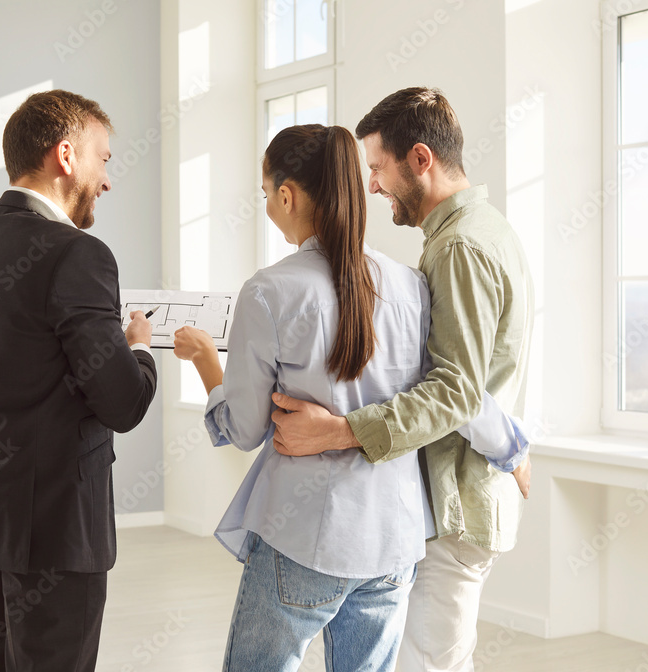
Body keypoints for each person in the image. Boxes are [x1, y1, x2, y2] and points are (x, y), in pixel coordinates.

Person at [173, 123, 526, 672]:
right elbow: (455, 389)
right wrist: (513, 447)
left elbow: (242, 431)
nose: (268, 205)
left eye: (267, 195)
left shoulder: (269, 291)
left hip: (306, 536)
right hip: (395, 540)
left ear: (287, 196)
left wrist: (205, 363)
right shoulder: (410, 284)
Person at [271, 88, 535, 672]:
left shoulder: (460, 248)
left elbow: (456, 390)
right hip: (452, 493)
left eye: (377, 168)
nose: (370, 185)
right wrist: (513, 444)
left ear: (420, 159)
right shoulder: (480, 231)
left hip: (455, 501)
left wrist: (340, 431)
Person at [0, 90, 158, 672]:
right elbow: (122, 402)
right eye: (103, 159)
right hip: (52, 527)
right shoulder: (78, 255)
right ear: (66, 155)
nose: (107, 180)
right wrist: (141, 351)